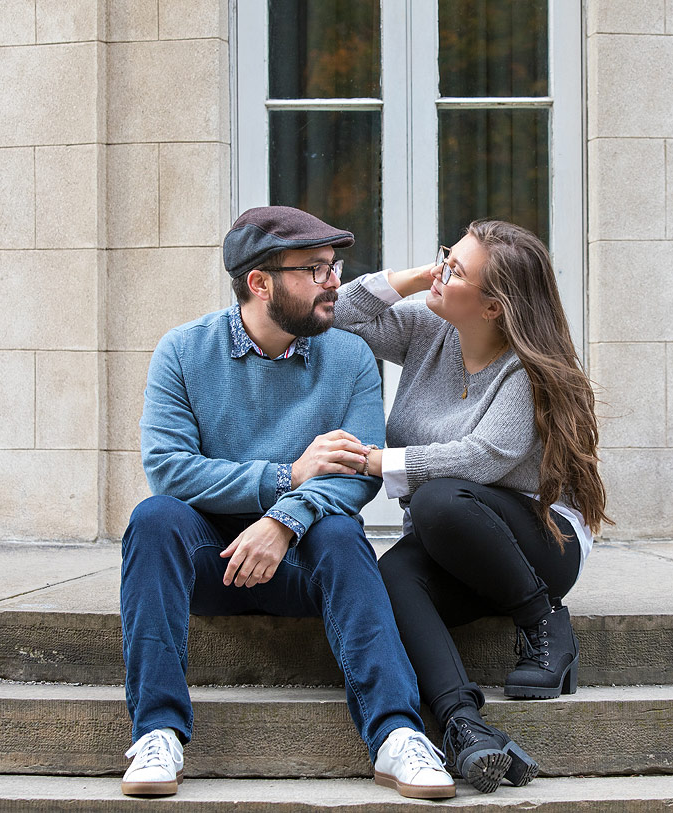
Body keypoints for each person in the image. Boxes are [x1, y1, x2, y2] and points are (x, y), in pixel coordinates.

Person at [118, 206, 454, 800]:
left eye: (334, 266)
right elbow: (168, 469)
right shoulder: (183, 352)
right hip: (212, 563)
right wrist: (285, 477)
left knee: (342, 532)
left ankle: (397, 736)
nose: (334, 282)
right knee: (154, 519)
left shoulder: (349, 354)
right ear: (260, 282)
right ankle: (158, 734)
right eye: (315, 269)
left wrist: (285, 518)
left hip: (306, 566)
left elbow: (356, 472)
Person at [333, 220, 611, 793]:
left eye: (455, 270)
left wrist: (373, 462)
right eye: (444, 257)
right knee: (390, 574)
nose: (440, 271)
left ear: (492, 307)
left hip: (541, 545)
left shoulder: (524, 371)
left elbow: (481, 459)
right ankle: (464, 726)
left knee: (438, 498)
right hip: (455, 540)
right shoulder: (426, 329)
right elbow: (340, 312)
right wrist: (414, 278)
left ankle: (544, 625)